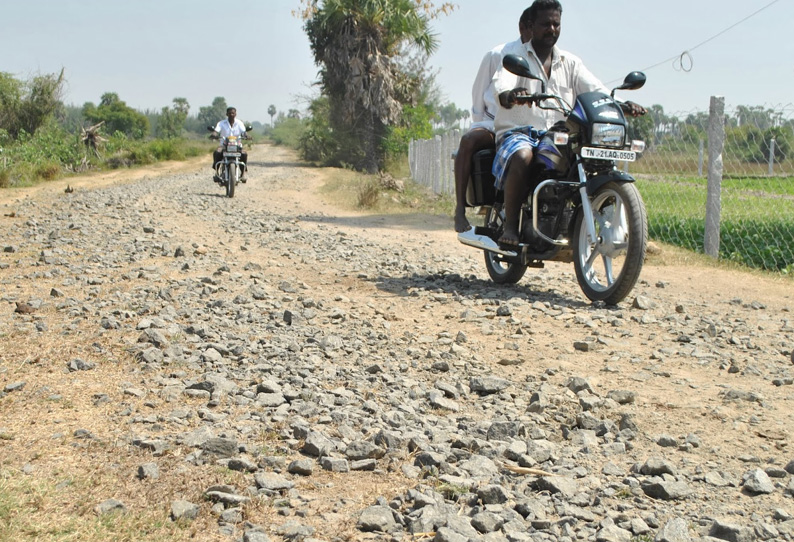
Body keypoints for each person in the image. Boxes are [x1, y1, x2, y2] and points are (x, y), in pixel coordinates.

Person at [491, 0, 645, 246]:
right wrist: (509, 95)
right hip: (519, 132)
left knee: (587, 161)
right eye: (545, 24)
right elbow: (502, 83)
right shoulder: (516, 57)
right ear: (531, 25)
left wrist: (622, 104)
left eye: (556, 24)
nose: (552, 29)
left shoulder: (571, 62)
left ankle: (571, 218)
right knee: (522, 156)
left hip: (557, 133)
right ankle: (510, 225)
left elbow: (596, 90)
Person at [453, 10, 533, 233]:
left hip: (524, 126)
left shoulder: (544, 58)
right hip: (493, 122)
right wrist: (479, 121)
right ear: (524, 28)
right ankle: (459, 209)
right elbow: (480, 91)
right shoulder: (498, 54)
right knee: (469, 141)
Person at [211, 106, 249, 182]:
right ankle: (217, 173)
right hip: (224, 145)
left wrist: (247, 135)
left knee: (244, 154)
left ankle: (243, 173)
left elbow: (244, 132)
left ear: (235, 114)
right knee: (217, 152)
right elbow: (216, 130)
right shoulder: (221, 123)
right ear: (227, 114)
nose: (231, 114)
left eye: (233, 113)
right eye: (230, 113)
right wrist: (214, 134)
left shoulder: (239, 123)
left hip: (237, 145)